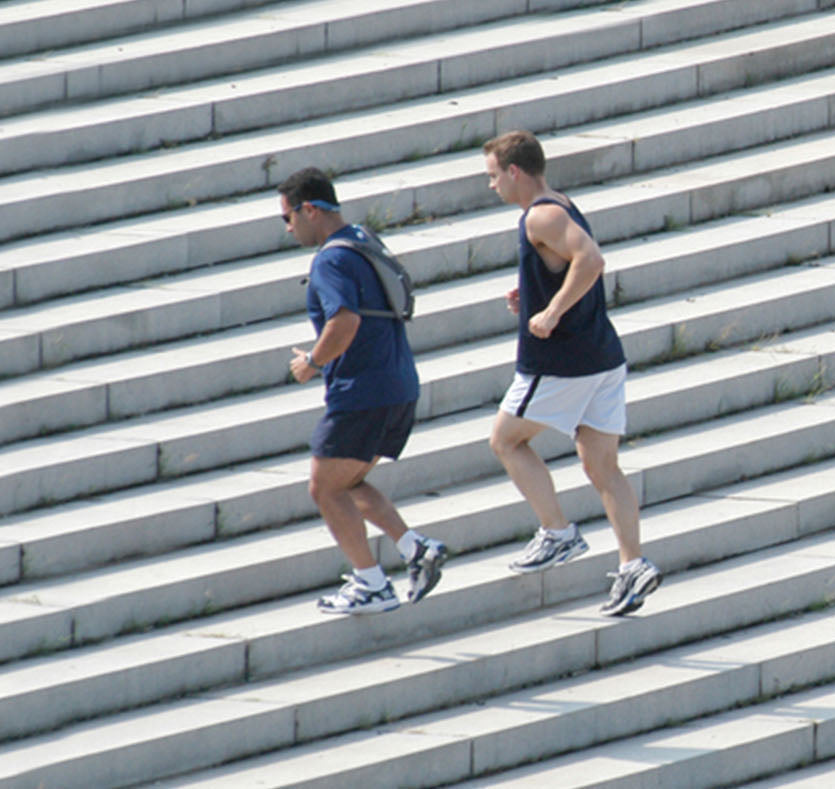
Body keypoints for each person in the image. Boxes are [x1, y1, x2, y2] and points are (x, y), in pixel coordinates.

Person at [481, 130, 661, 616]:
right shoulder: (559, 203)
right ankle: (632, 566)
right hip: (602, 357)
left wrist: (552, 312)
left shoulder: (541, 213)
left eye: (494, 176)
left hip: (561, 362)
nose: (491, 186)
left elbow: (592, 260)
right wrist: (533, 296)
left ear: (514, 171)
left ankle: (558, 533)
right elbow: (567, 264)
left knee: (506, 440)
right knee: (601, 465)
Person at [280, 167, 448, 615]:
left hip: (364, 391)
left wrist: (313, 362)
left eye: (288, 217)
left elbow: (345, 321)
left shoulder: (330, 259)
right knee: (347, 481)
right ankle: (415, 549)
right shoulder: (362, 238)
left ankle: (371, 583)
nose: (288, 227)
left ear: (309, 209)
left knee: (324, 487)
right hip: (398, 384)